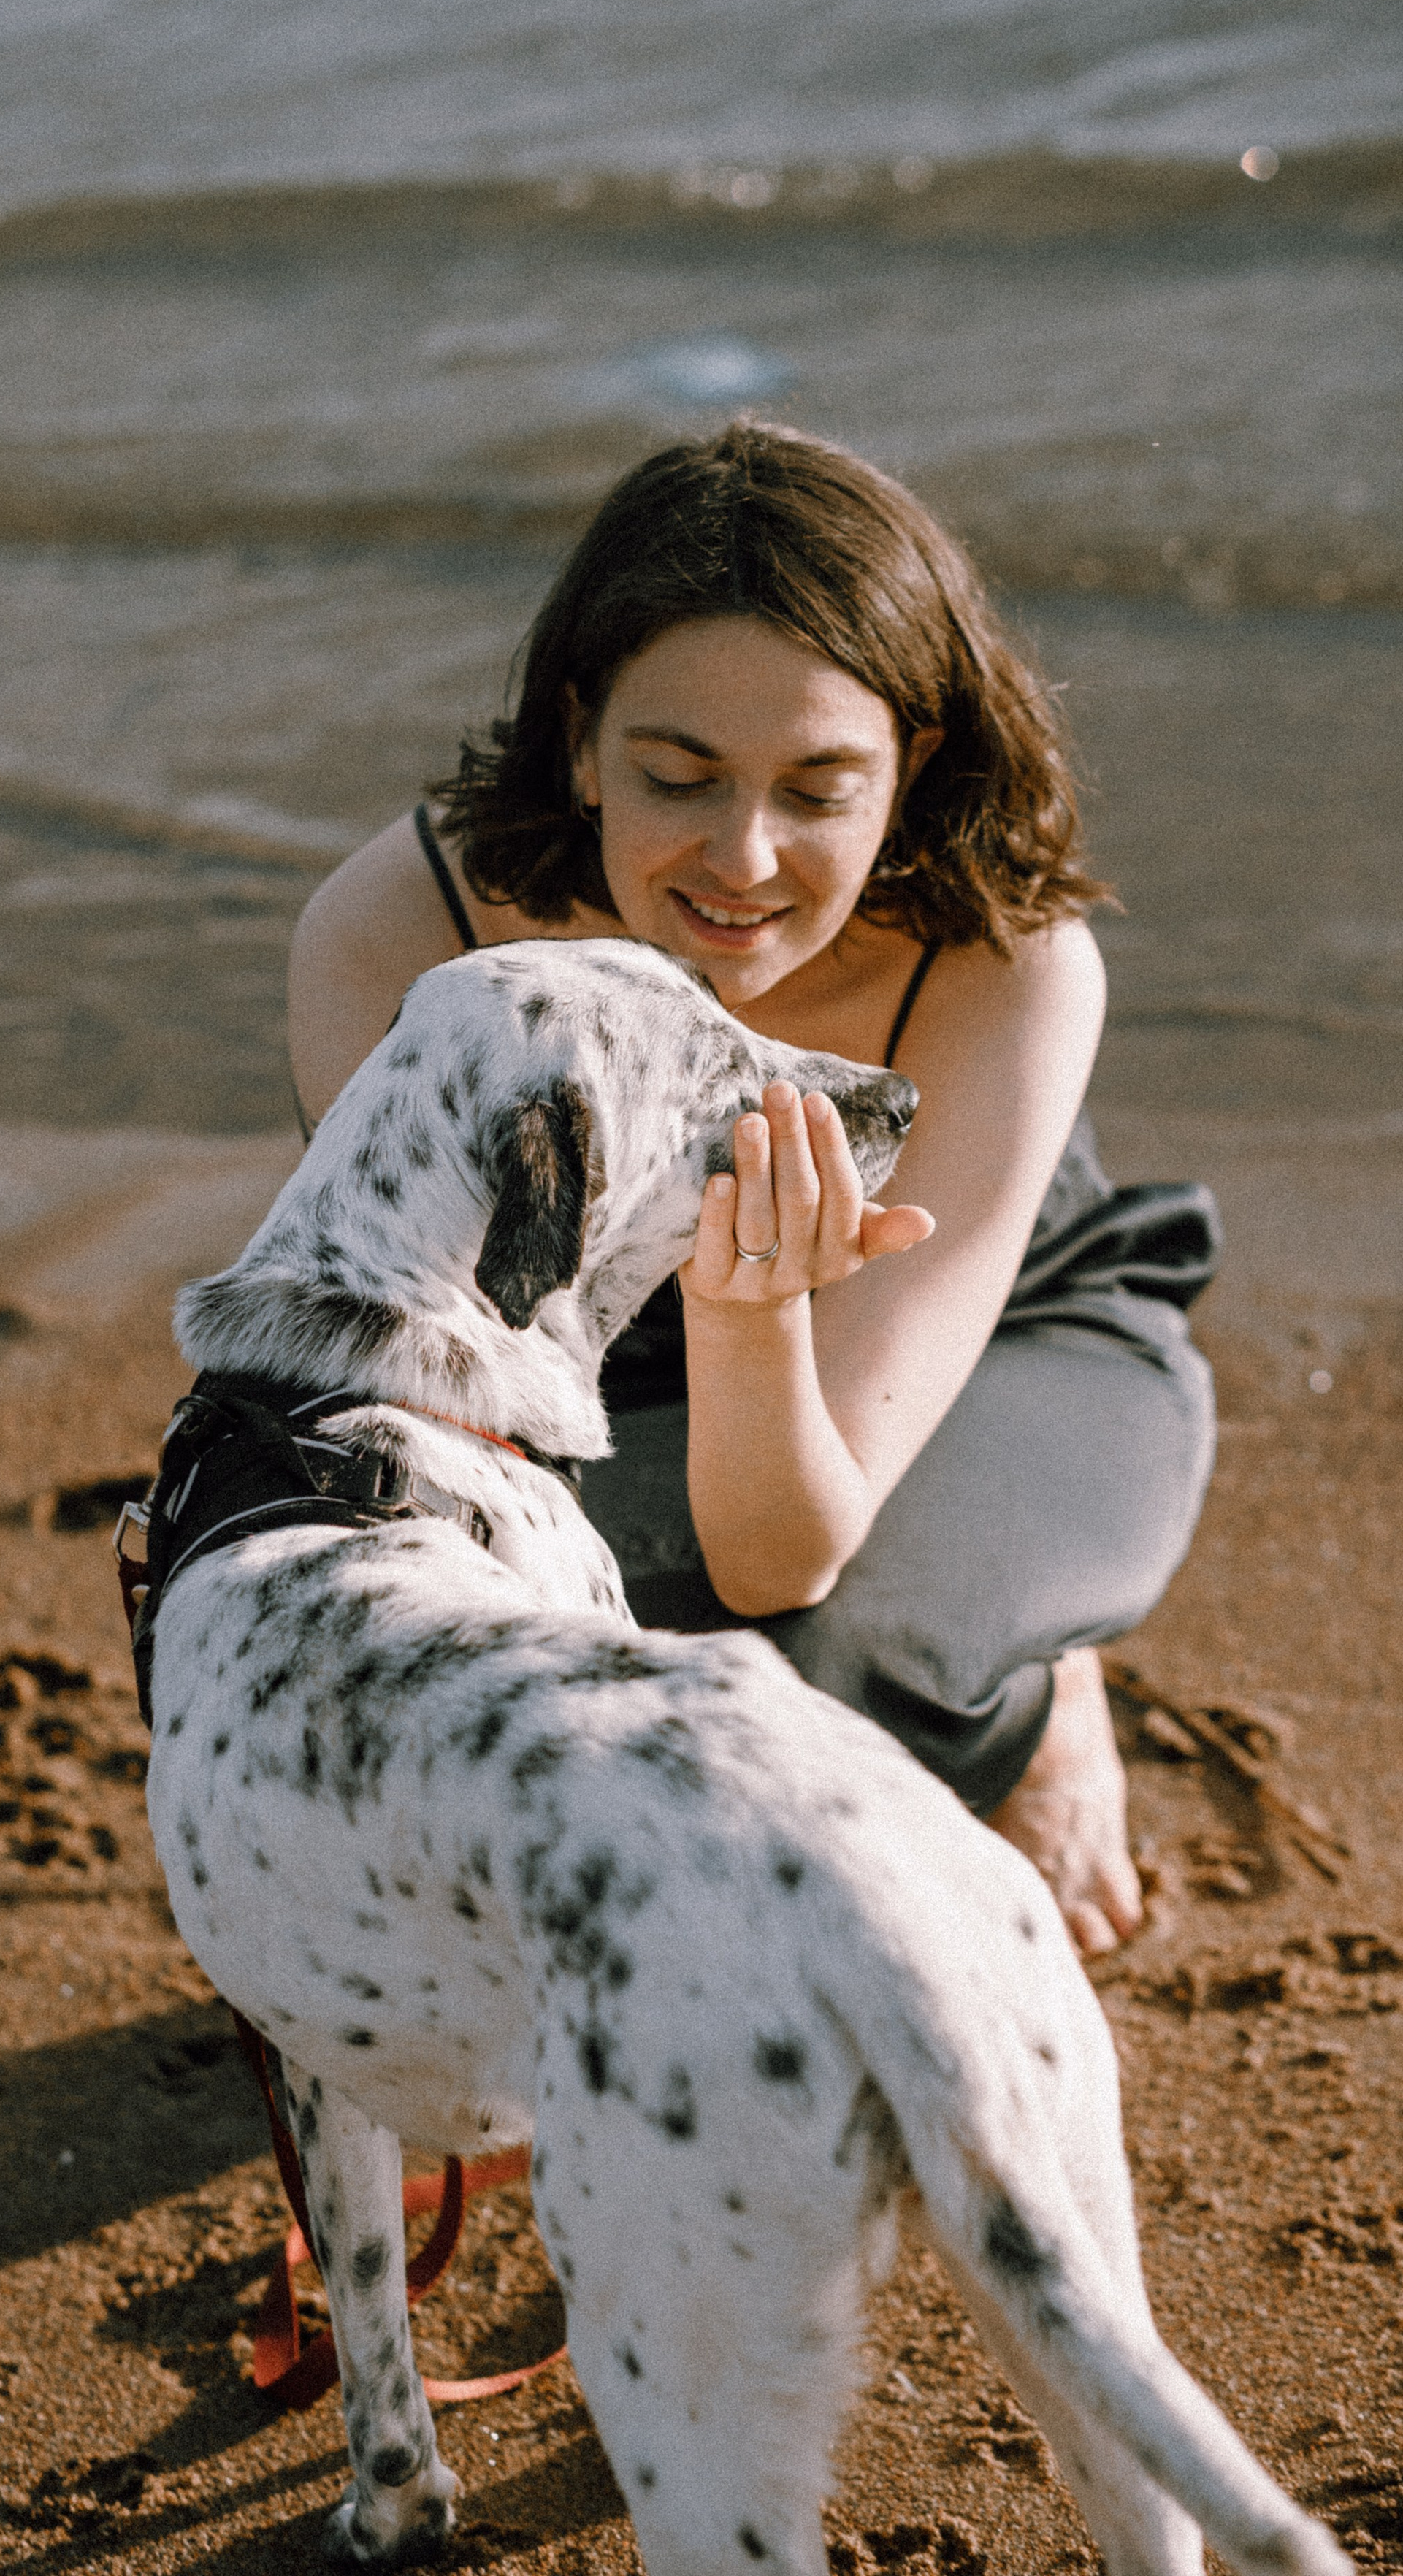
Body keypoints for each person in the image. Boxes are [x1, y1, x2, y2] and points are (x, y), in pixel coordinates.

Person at [287, 422, 1217, 1957]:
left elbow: (780, 1555)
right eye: (678, 776)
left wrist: (746, 1315)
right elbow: (432, 1402)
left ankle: (1041, 1683)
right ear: (580, 740)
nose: (743, 858)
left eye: (817, 787)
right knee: (439, 1702)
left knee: (821, 1665)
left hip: (985, 1344)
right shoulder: (406, 939)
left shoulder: (1004, 967)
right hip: (582, 1364)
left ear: (908, 766)